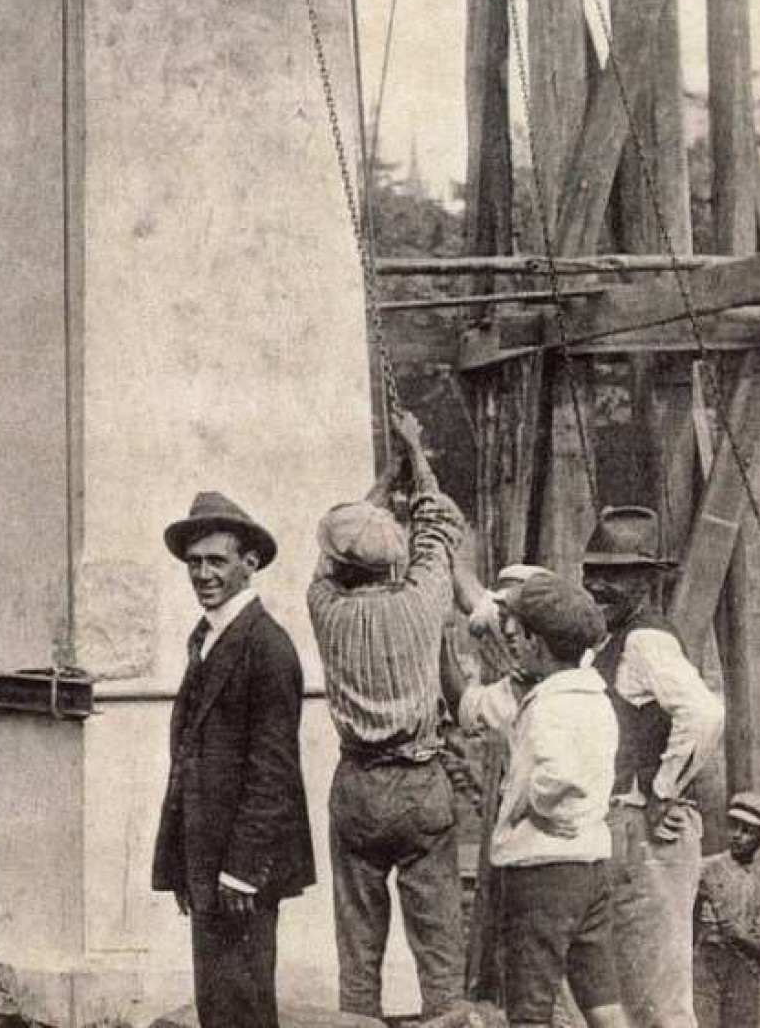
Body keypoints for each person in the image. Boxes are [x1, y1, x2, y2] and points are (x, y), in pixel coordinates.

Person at [307, 411, 486, 1020]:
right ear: (393, 561)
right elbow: (437, 522)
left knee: (357, 949)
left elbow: (338, 545)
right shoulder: (421, 600)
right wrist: (417, 451)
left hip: (356, 784)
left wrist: (385, 480)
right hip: (419, 783)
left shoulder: (324, 607)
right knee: (439, 947)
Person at [150, 491, 313, 1028]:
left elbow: (274, 775)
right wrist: (181, 862)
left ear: (250, 563)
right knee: (218, 1007)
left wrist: (241, 873)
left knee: (241, 1006)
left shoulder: (267, 647)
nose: (202, 574)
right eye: (194, 563)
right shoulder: (207, 638)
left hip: (240, 873)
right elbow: (190, 760)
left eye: (216, 561)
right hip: (207, 863)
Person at [444, 569, 630, 1028]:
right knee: (601, 996)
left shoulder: (546, 705)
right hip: (589, 867)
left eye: (518, 637)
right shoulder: (592, 694)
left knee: (530, 1007)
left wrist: (532, 802)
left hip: (541, 873)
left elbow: (556, 781)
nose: (512, 645)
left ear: (538, 642)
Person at [580, 506, 725, 1028]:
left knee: (658, 996)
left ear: (645, 579)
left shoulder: (646, 640)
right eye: (592, 572)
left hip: (646, 832)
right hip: (622, 831)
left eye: (613, 575)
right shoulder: (612, 640)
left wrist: (665, 787)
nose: (597, 585)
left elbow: (704, 713)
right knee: (627, 987)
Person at [692, 793, 760, 1028]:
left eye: (748, 830)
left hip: (745, 968)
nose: (737, 835)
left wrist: (741, 936)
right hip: (705, 966)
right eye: (734, 826)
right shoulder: (704, 870)